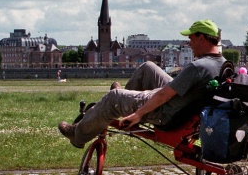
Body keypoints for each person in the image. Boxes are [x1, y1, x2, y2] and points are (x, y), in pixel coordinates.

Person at [58, 19, 226, 148]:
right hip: (182, 105)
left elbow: (162, 96)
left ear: (202, 38)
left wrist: (138, 114)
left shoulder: (197, 67)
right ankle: (126, 99)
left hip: (167, 112)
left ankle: (77, 134)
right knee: (148, 67)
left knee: (113, 97)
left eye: (191, 38)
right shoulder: (222, 63)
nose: (189, 43)